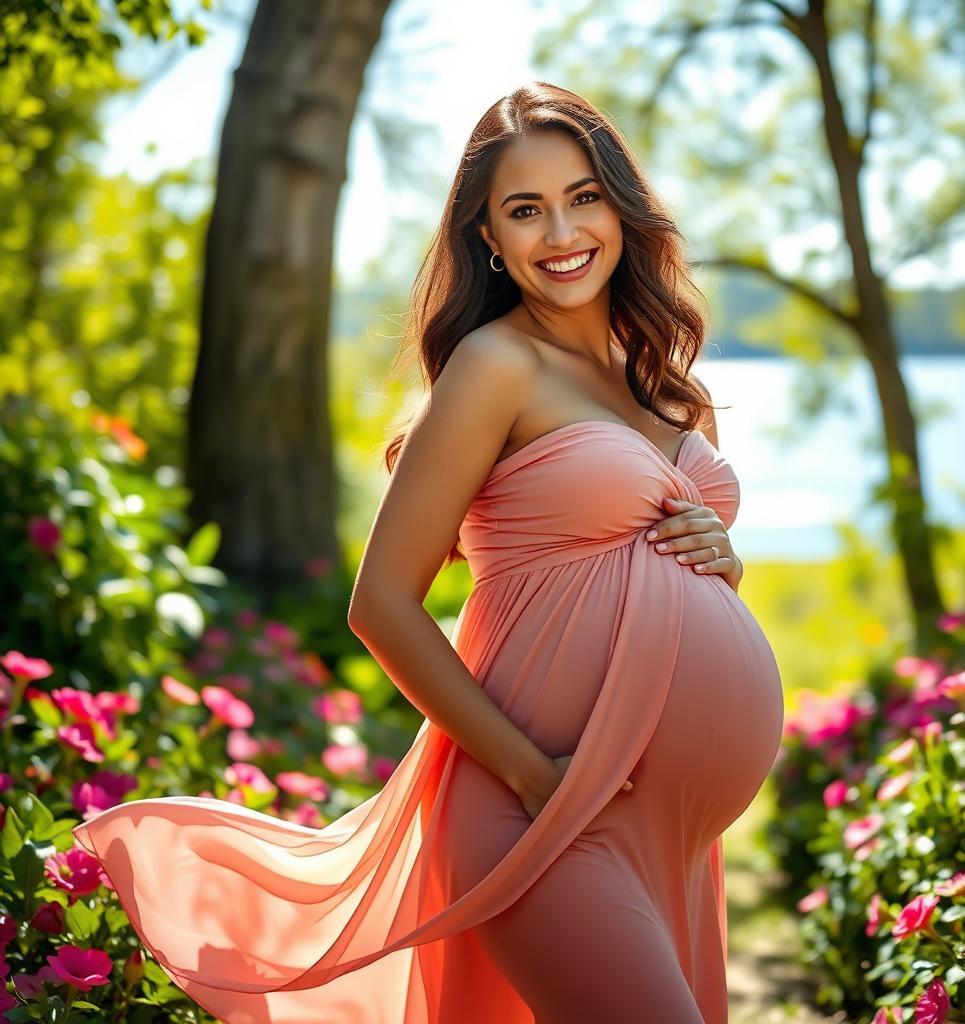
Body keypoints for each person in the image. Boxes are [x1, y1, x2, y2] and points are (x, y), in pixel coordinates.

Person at [72, 81, 785, 1024]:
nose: (560, 231)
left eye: (582, 197)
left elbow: (662, 557)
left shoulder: (666, 380)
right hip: (542, 809)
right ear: (488, 236)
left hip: (668, 826)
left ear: (620, 205)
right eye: (524, 210)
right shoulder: (498, 366)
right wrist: (534, 775)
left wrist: (721, 560)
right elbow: (382, 605)